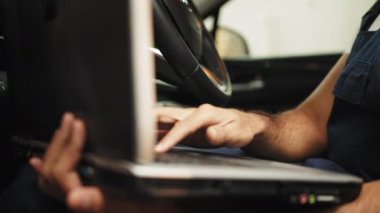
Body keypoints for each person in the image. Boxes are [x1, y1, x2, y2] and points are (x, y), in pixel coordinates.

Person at [8, 0, 380, 212]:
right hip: (324, 174)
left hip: (348, 196)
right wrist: (253, 126)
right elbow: (314, 122)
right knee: (84, 168)